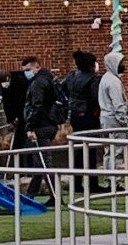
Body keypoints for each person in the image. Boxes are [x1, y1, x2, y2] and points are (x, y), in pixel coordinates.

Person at [20, 55, 60, 201]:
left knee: (44, 162)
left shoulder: (38, 83)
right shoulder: (49, 79)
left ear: (36, 66)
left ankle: (55, 195)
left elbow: (36, 106)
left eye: (28, 69)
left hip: (41, 125)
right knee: (40, 161)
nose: (26, 73)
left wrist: (29, 126)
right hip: (49, 123)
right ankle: (31, 193)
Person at [59, 50, 102, 181]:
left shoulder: (71, 76)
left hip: (75, 115)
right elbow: (95, 98)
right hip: (89, 115)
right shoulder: (93, 79)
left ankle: (77, 181)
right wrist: (96, 110)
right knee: (91, 149)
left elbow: (61, 88)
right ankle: (92, 181)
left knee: (78, 148)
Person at [96, 51, 128, 178]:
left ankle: (108, 177)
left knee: (108, 151)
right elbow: (118, 104)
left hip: (105, 119)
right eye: (121, 63)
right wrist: (124, 120)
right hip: (114, 120)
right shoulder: (114, 82)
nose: (124, 65)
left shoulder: (105, 78)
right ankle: (115, 179)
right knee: (117, 151)